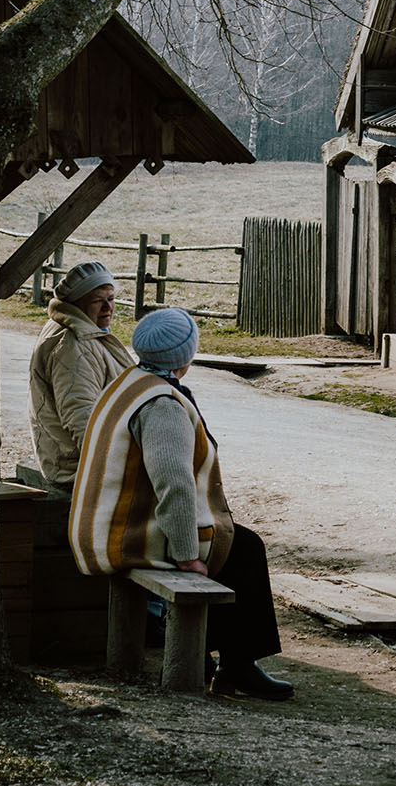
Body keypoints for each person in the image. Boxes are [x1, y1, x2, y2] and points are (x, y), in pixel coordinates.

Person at [68, 307, 293, 700]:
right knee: (244, 550)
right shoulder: (162, 405)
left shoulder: (132, 381)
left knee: (235, 546)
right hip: (126, 535)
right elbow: (174, 484)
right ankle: (238, 665)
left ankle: (218, 657)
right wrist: (188, 555)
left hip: (104, 525)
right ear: (186, 355)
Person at [27, 261, 136, 492]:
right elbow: (82, 418)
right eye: (98, 300)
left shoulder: (81, 331)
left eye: (111, 298)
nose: (108, 307)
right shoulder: (73, 347)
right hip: (79, 470)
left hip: (86, 463)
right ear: (77, 302)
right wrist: (114, 471)